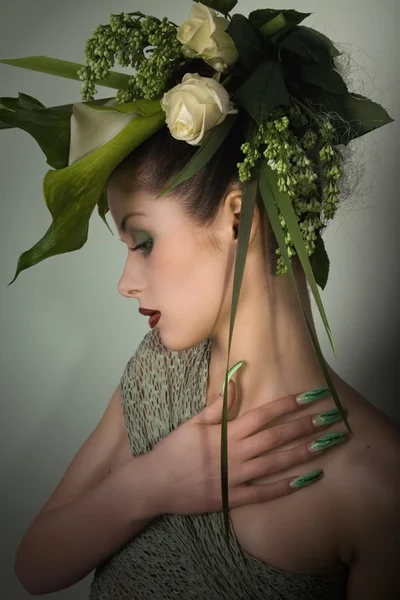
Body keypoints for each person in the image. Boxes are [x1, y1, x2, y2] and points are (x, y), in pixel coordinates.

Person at [5, 2, 399, 598]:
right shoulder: (156, 369)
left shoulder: (377, 488)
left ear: (238, 218)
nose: (125, 283)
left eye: (142, 242)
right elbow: (34, 567)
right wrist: (155, 482)